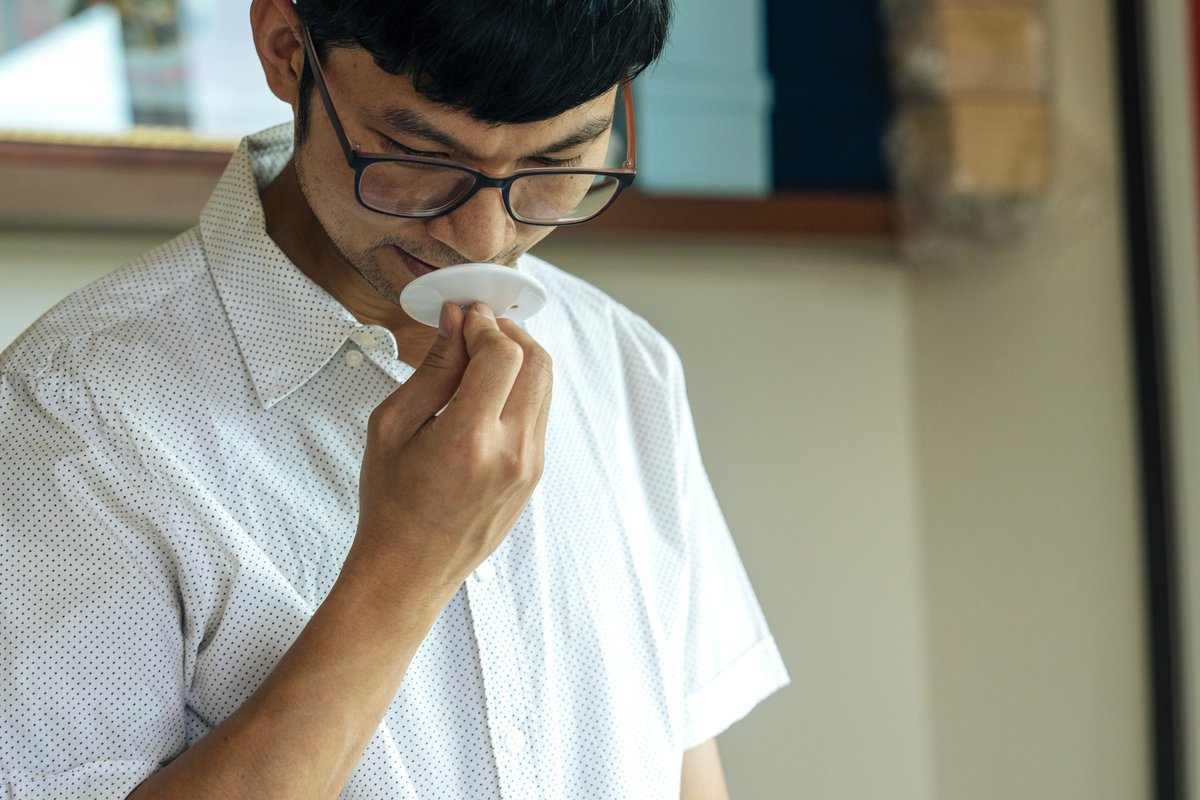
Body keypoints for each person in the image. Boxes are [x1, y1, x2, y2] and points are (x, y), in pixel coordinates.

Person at [0, 0, 788, 797]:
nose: (482, 240)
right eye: (418, 156)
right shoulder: (70, 416)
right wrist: (408, 566)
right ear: (285, 50)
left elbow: (686, 762)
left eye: (560, 161)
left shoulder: (626, 364)